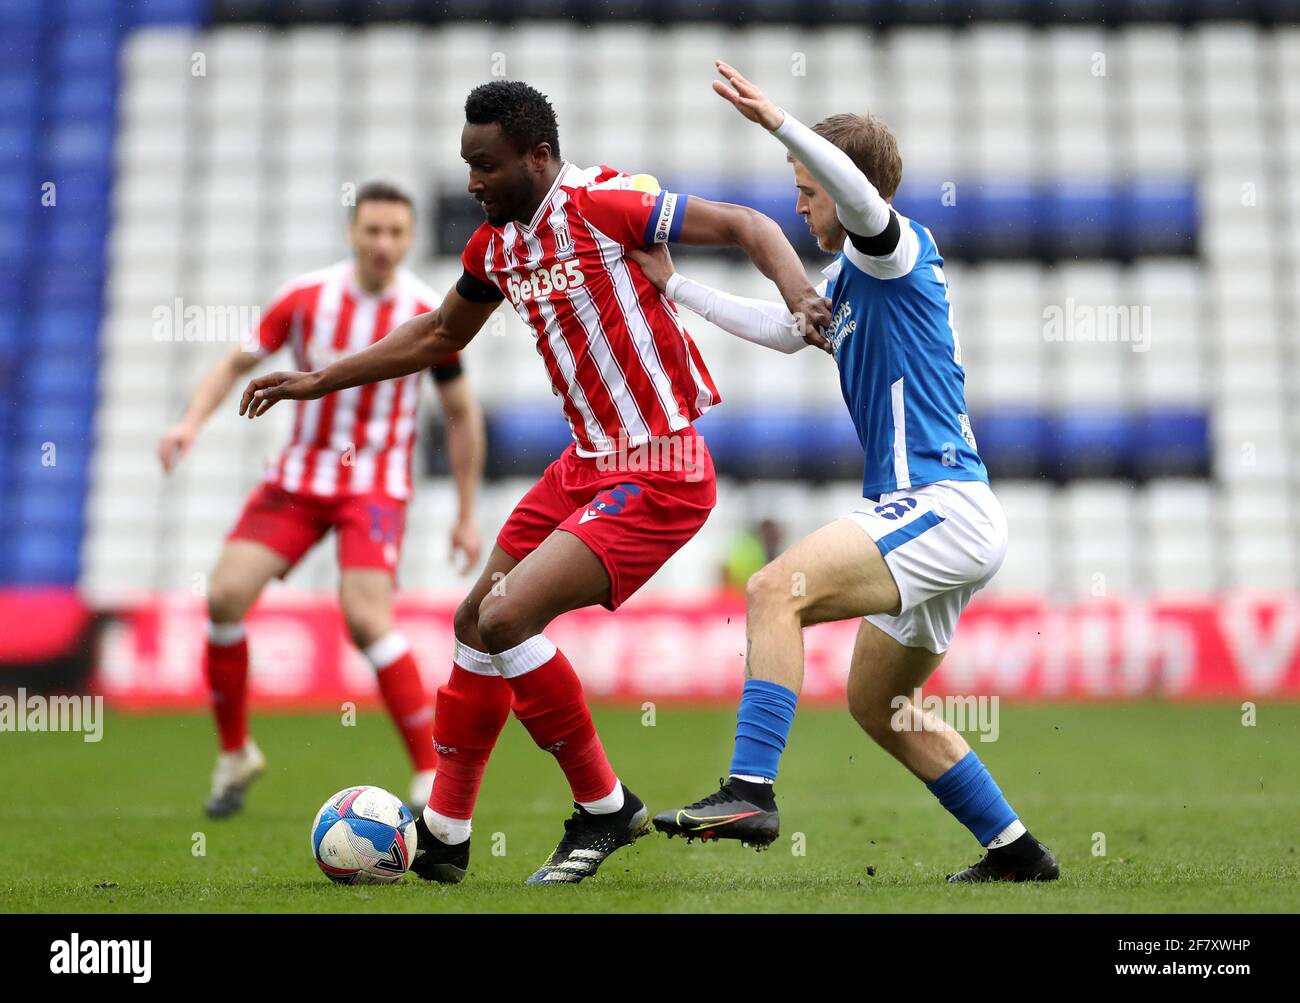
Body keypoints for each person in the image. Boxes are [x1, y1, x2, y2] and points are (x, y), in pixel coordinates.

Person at [238, 80, 830, 884]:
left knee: (508, 614)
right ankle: (444, 832)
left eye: (486, 165)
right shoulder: (495, 245)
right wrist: (320, 378)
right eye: (466, 165)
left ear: (537, 156)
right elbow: (441, 332)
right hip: (584, 462)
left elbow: (747, 223)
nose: (473, 181)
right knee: (472, 622)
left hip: (661, 464)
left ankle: (604, 807)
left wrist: (800, 296)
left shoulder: (604, 203)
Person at [643, 62, 1058, 883]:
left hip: (941, 505)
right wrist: (675, 285)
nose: (800, 206)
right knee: (879, 704)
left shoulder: (894, 249)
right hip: (942, 515)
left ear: (847, 187)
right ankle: (1017, 853)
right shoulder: (852, 283)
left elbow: (864, 202)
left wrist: (779, 121)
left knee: (772, 591)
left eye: (807, 190)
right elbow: (786, 327)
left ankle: (749, 789)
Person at [158, 181, 485, 818]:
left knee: (366, 618)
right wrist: (189, 422)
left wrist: (467, 513)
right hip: (298, 479)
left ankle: (426, 774)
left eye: (396, 232)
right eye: (373, 231)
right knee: (224, 596)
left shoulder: (429, 310)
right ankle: (235, 754)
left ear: (411, 237)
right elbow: (237, 360)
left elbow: (461, 412)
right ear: (352, 234)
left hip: (374, 484)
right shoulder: (307, 298)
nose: (384, 244)